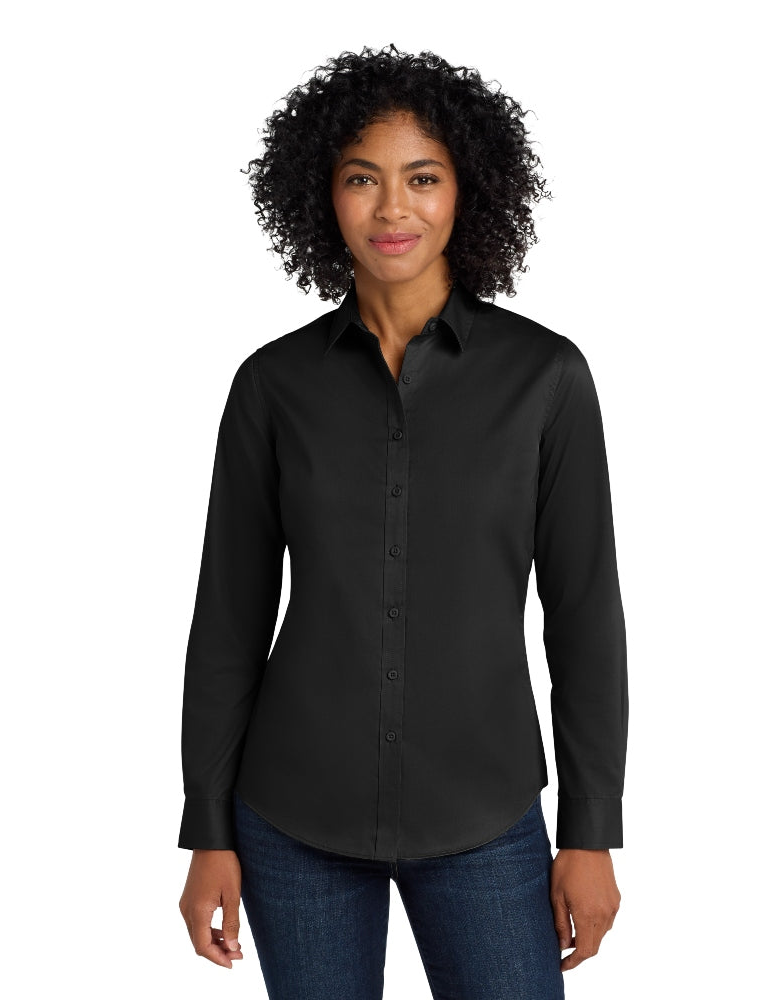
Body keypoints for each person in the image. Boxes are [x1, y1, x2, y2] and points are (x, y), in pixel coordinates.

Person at [177, 44, 628, 1000]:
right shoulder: (272, 385)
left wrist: (591, 831)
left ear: (468, 191)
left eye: (422, 178)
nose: (392, 209)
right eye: (361, 179)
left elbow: (586, 616)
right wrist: (206, 827)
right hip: (292, 818)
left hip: (486, 816)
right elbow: (228, 618)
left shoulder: (545, 378)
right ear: (323, 195)